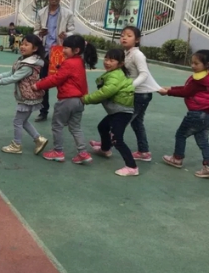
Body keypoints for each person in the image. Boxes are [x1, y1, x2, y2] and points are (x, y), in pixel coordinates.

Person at [33, 35, 97, 164]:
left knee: (57, 125)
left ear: (76, 50)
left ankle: (58, 151)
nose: (63, 50)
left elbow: (56, 79)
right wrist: (84, 96)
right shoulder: (80, 62)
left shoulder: (69, 63)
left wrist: (38, 85)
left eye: (66, 48)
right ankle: (83, 153)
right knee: (75, 127)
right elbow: (82, 82)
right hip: (79, 100)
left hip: (67, 100)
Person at [0, 34, 49, 155]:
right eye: (22, 43)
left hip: (27, 97)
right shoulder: (24, 59)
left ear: (35, 48)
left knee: (17, 121)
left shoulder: (29, 65)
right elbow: (12, 72)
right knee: (23, 121)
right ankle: (39, 139)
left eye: (26, 44)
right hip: (27, 96)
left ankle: (17, 145)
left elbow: (14, 77)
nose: (22, 46)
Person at [82, 49, 138, 176]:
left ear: (120, 63)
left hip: (122, 112)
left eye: (112, 60)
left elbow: (105, 92)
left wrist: (86, 99)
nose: (107, 62)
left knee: (117, 139)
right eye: (106, 59)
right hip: (116, 111)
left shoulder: (115, 75)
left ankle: (132, 166)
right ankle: (105, 149)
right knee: (103, 126)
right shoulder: (113, 73)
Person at [159, 49, 209, 178]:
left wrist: (168, 92)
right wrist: (171, 88)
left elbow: (186, 92)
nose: (192, 66)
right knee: (203, 141)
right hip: (205, 115)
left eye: (196, 63)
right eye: (192, 62)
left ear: (207, 64)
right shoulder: (205, 77)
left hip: (196, 114)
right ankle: (208, 166)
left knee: (181, 134)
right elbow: (187, 89)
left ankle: (177, 158)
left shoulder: (200, 80)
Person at [33, 0, 75, 122]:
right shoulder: (41, 13)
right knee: (44, 82)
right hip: (45, 53)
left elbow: (72, 30)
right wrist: (40, 33)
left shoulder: (67, 13)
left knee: (63, 84)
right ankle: (43, 111)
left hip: (60, 53)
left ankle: (65, 113)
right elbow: (35, 31)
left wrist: (66, 35)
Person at [121, 26, 160, 162]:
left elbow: (144, 74)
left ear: (137, 40)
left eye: (129, 35)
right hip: (138, 93)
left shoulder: (137, 55)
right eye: (122, 35)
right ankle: (144, 152)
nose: (124, 38)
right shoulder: (127, 53)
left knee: (122, 120)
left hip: (140, 94)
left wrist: (130, 86)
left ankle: (105, 145)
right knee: (137, 123)